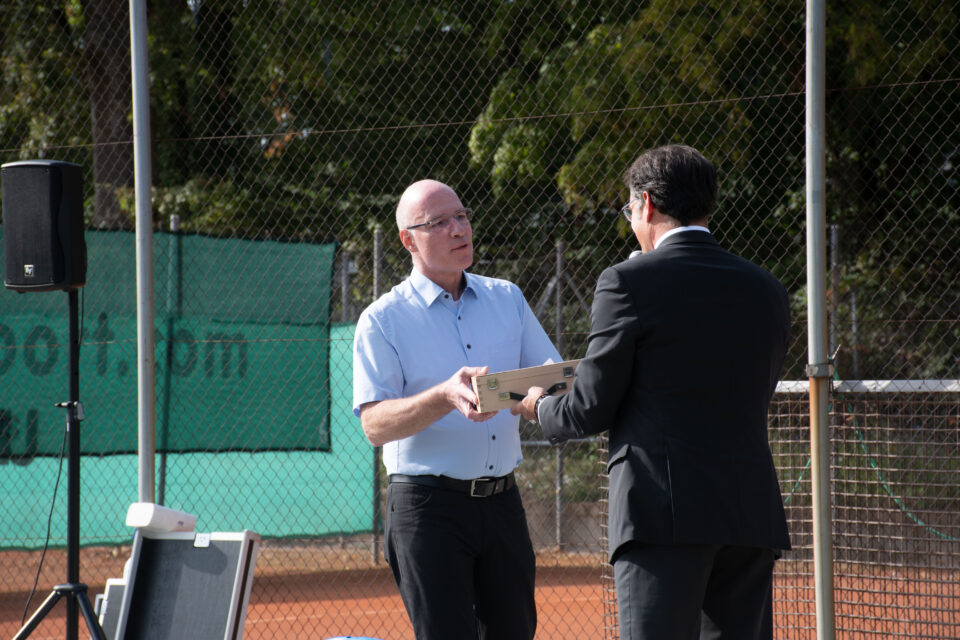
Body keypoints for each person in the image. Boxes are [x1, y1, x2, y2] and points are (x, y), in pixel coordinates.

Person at [513, 145, 791, 640]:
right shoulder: (765, 287)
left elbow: (589, 408)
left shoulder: (627, 281)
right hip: (749, 512)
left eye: (629, 209)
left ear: (646, 204)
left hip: (662, 514)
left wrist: (538, 406)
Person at [352, 179, 561, 640]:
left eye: (462, 216)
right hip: (428, 510)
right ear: (408, 240)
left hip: (503, 504)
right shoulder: (382, 319)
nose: (458, 229)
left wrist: (541, 396)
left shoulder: (507, 298)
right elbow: (374, 425)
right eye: (439, 222)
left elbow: (550, 374)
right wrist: (444, 395)